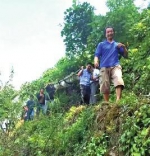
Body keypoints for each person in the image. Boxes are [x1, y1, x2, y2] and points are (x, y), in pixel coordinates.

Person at [94, 26, 128, 102]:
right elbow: (96, 55)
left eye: (111, 31)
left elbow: (125, 55)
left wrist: (124, 47)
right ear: (106, 34)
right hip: (104, 67)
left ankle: (118, 100)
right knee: (105, 84)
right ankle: (107, 103)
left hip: (115, 66)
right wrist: (96, 61)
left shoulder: (117, 45)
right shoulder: (101, 44)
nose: (109, 33)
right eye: (108, 32)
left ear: (113, 33)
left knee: (118, 78)